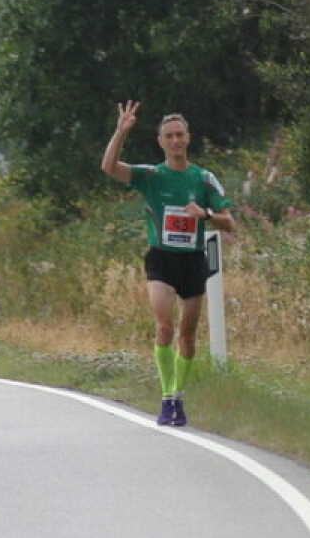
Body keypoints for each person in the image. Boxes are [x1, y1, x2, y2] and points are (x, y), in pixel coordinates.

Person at [101, 100, 235, 426]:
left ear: (188, 139)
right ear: (160, 143)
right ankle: (165, 398)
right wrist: (121, 131)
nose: (175, 141)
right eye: (168, 136)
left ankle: (178, 395)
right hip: (161, 259)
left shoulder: (204, 179)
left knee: (187, 336)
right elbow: (109, 167)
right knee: (164, 326)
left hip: (192, 261)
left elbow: (229, 222)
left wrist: (204, 214)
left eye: (179, 135)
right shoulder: (151, 176)